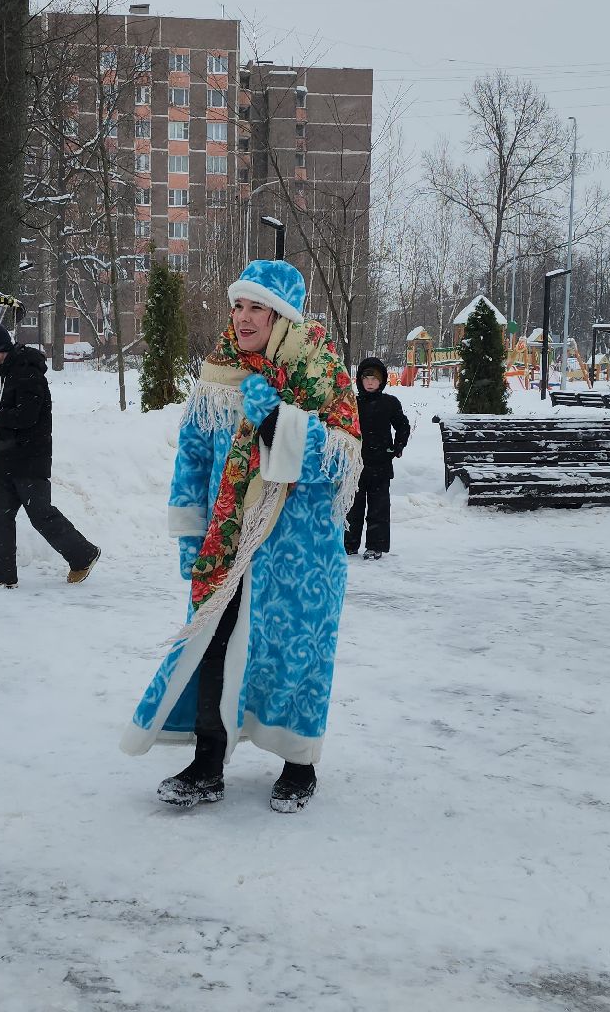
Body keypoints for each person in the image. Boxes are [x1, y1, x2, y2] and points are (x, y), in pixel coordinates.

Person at [120, 260, 362, 814]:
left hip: (299, 551)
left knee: (294, 654)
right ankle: (208, 762)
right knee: (211, 644)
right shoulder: (218, 370)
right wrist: (188, 531)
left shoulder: (320, 370)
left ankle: (298, 765)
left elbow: (345, 463)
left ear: (282, 317)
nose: (244, 317)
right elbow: (193, 455)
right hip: (227, 544)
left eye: (258, 308)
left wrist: (281, 420)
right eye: (239, 305)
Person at [0, 321, 100, 589]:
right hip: (6, 460)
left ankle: (83, 555)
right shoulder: (5, 371)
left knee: (41, 514)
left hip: (30, 459)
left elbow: (27, 416)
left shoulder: (27, 372)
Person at [346, 357, 411, 560]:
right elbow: (342, 426)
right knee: (352, 508)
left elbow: (402, 425)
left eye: (375, 378)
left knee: (379, 508)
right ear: (360, 380)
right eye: (367, 378)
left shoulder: (390, 403)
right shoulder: (352, 404)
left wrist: (398, 446)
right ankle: (348, 544)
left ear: (382, 381)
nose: (371, 382)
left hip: (381, 464)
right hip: (356, 465)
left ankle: (376, 545)